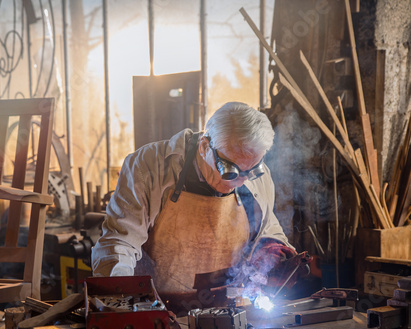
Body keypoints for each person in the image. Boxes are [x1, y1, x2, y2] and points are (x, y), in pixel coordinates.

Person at [91, 101, 306, 314]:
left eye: (251, 170)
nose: (241, 180)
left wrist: (272, 249)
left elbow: (267, 225)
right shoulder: (149, 167)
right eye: (230, 170)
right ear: (204, 146)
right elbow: (120, 243)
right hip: (158, 311)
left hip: (231, 310)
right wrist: (120, 301)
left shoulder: (257, 175)